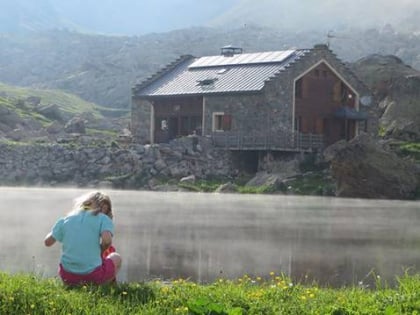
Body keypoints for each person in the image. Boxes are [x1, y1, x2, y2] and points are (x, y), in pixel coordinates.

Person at [44, 191, 122, 286]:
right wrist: (100, 251)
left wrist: (57, 231)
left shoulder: (65, 220)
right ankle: (105, 286)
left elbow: (47, 242)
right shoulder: (103, 219)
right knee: (116, 257)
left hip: (67, 277)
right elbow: (107, 241)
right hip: (92, 276)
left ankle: (73, 283)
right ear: (105, 208)